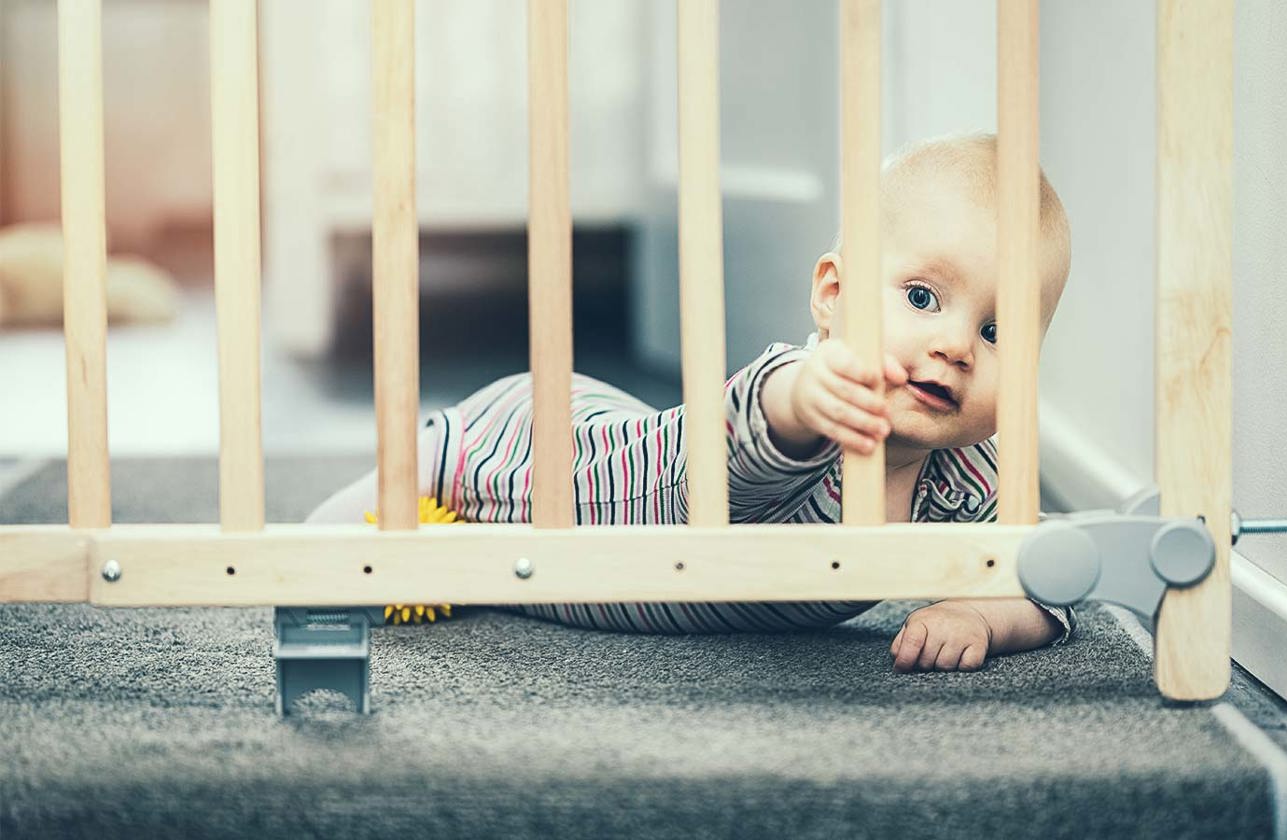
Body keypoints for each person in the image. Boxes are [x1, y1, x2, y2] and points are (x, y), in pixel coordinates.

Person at [307, 133, 1075, 674]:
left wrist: (980, 615)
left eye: (997, 328)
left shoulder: (969, 478)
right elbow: (742, 449)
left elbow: (1044, 585)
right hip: (546, 450)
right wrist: (804, 401)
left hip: (594, 558)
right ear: (833, 297)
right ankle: (298, 550)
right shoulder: (802, 395)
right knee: (395, 496)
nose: (956, 346)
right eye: (921, 297)